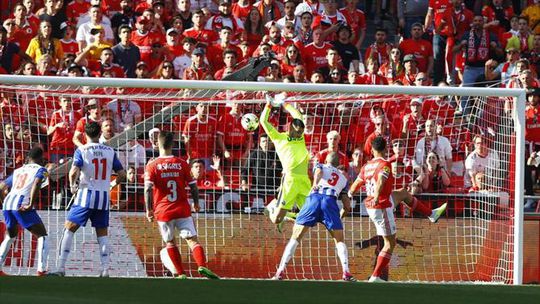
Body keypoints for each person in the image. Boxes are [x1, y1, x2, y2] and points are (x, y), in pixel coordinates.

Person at [349, 136, 447, 282]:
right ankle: (375, 276)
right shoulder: (385, 164)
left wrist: (350, 194)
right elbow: (381, 181)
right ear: (386, 149)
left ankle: (431, 214)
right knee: (390, 243)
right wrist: (376, 196)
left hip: (377, 202)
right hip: (380, 205)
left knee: (403, 193)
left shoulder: (366, 166)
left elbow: (356, 183)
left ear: (372, 150)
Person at [52, 121, 126, 277]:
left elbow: (73, 172)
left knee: (69, 229)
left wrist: (72, 186)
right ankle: (105, 269)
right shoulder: (110, 151)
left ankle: (60, 267)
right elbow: (122, 174)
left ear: (85, 135)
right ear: (100, 134)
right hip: (103, 198)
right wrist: (112, 184)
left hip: (86, 196)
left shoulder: (82, 150)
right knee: (102, 234)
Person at [144, 131, 219, 279]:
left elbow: (148, 189)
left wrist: (148, 209)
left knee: (170, 242)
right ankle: (202, 266)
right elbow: (193, 186)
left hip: (163, 211)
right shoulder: (182, 163)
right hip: (182, 209)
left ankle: (180, 273)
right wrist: (196, 203)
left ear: (157, 143)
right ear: (172, 145)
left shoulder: (152, 165)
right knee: (192, 240)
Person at [272, 152, 355, 281]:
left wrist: (315, 183)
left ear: (327, 160)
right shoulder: (343, 179)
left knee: (296, 237)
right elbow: (347, 205)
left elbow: (318, 173)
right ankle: (346, 272)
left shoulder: (321, 165)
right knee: (339, 240)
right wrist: (339, 217)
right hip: (330, 201)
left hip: (314, 199)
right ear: (338, 164)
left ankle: (280, 272)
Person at [261, 94, 311, 231]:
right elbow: (263, 122)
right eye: (297, 132)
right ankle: (272, 206)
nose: (300, 135)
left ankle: (289, 215)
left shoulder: (301, 137)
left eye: (301, 132)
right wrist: (269, 105)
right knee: (276, 219)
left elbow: (298, 116)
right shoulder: (278, 137)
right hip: (290, 180)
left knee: (311, 216)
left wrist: (285, 104)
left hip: (304, 180)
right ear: (289, 128)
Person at [0, 147, 49, 276]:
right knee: (42, 236)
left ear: (28, 158)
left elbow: (1, 186)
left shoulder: (18, 170)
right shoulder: (41, 169)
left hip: (8, 204)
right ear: (41, 158)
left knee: (10, 236)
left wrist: (3, 201)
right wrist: (30, 204)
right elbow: (37, 183)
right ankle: (41, 270)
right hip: (22, 205)